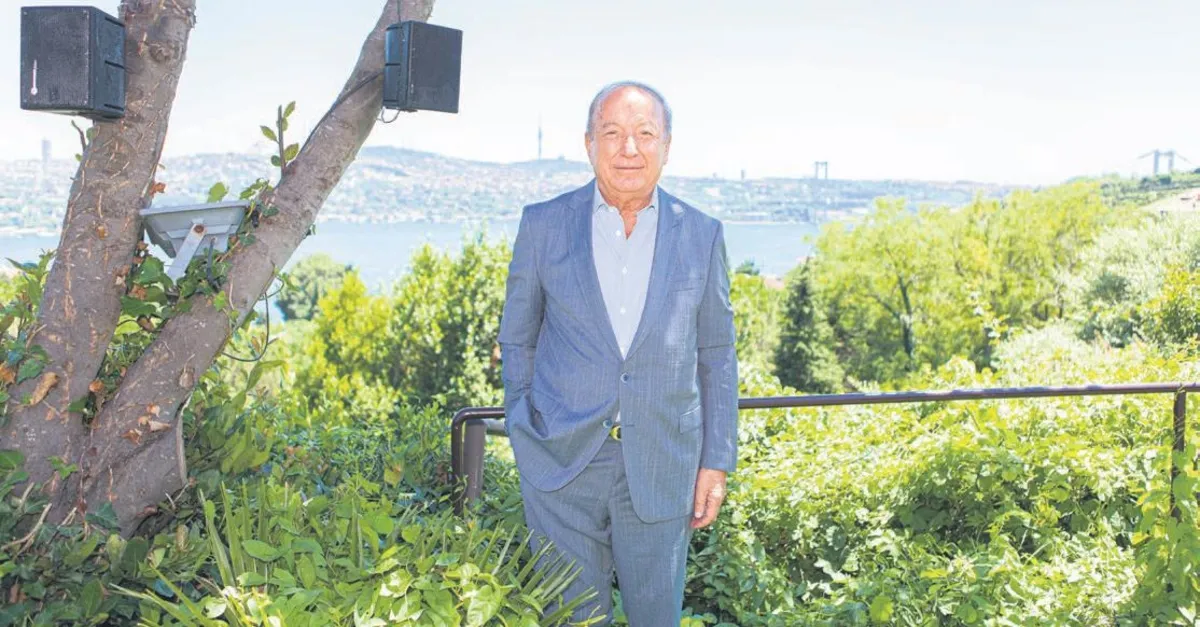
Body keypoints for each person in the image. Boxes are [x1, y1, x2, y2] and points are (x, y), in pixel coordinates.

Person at [497, 80, 739, 625]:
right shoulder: (542, 226)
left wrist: (716, 461)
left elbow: (717, 354)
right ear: (589, 144)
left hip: (663, 464)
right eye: (612, 133)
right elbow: (517, 338)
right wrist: (523, 425)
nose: (629, 148)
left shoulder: (702, 235)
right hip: (560, 465)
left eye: (645, 134)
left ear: (667, 146)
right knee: (571, 619)